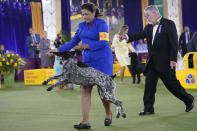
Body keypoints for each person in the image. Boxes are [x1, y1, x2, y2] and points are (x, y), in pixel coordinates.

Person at [120, 5, 194, 116]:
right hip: (151, 63)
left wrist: (173, 59)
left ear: (155, 13)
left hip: (166, 62)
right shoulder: (148, 27)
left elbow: (174, 43)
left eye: (147, 15)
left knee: (172, 85)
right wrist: (126, 37)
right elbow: (140, 35)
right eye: (145, 16)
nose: (146, 18)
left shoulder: (169, 24)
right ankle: (148, 108)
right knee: (149, 86)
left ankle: (188, 99)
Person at [48, 3, 113, 129]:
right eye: (83, 14)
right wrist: (57, 49)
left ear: (94, 12)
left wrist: (85, 46)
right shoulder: (81, 25)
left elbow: (104, 42)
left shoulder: (102, 24)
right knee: (85, 88)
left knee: (102, 91)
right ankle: (85, 121)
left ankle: (108, 113)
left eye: (87, 14)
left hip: (102, 61)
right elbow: (73, 42)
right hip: (88, 60)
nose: (84, 17)